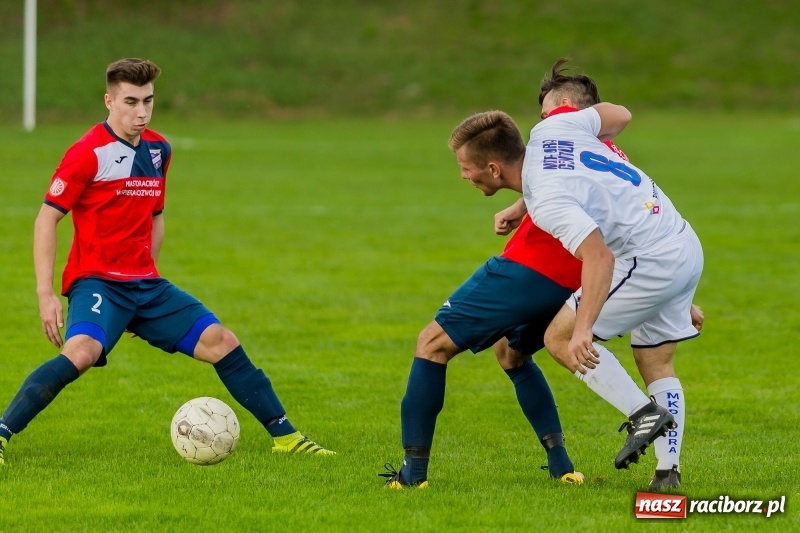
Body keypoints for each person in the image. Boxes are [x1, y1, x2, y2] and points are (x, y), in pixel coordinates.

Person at [0, 58, 333, 466]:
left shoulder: (159, 150)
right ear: (108, 101)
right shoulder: (88, 153)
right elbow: (46, 218)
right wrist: (45, 292)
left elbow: (155, 218)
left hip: (147, 284)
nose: (141, 112)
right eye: (130, 102)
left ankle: (287, 437)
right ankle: (1, 434)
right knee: (82, 352)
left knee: (221, 341)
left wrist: (149, 277)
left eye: (148, 101)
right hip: (98, 282)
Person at [458, 60, 702, 489]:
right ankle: (668, 473)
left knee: (560, 338)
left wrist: (584, 329)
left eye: (549, 110)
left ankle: (643, 415)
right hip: (680, 241)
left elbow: (599, 257)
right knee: (656, 361)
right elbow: (616, 124)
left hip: (644, 258)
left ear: (564, 107)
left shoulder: (552, 132)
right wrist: (522, 205)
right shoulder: (580, 138)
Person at [380, 148, 588, 487]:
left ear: (493, 167)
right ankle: (561, 466)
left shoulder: (552, 138)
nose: (463, 176)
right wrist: (523, 205)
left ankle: (412, 475)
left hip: (530, 268)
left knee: (431, 343)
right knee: (510, 352)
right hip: (579, 280)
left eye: (465, 167)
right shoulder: (588, 153)